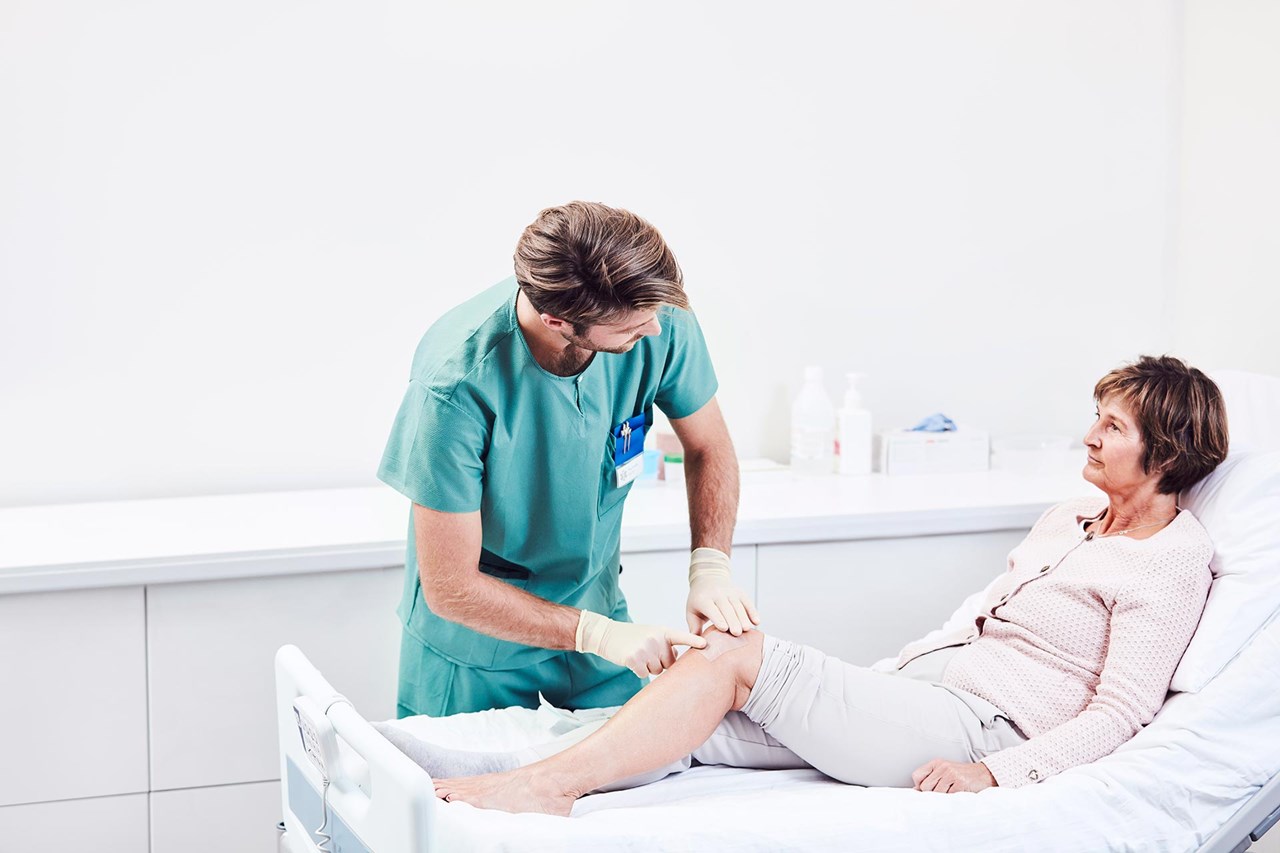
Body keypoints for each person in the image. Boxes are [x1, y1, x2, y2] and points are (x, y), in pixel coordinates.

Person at [414, 355, 1228, 814]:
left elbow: (1121, 714)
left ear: (1168, 448)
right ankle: (494, 762)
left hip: (988, 730)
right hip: (923, 691)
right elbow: (976, 621)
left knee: (735, 653)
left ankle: (542, 789)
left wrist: (999, 775)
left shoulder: (1170, 558)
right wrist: (892, 679)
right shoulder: (1071, 517)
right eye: (1098, 414)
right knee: (691, 719)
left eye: (1113, 425)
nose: (1089, 433)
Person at [377, 201, 758, 718]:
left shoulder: (654, 315)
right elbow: (451, 587)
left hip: (597, 610)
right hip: (474, 641)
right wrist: (592, 634)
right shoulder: (456, 384)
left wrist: (709, 568)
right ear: (557, 319)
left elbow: (708, 445)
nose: (652, 332)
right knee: (458, 792)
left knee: (633, 769)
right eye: (631, 328)